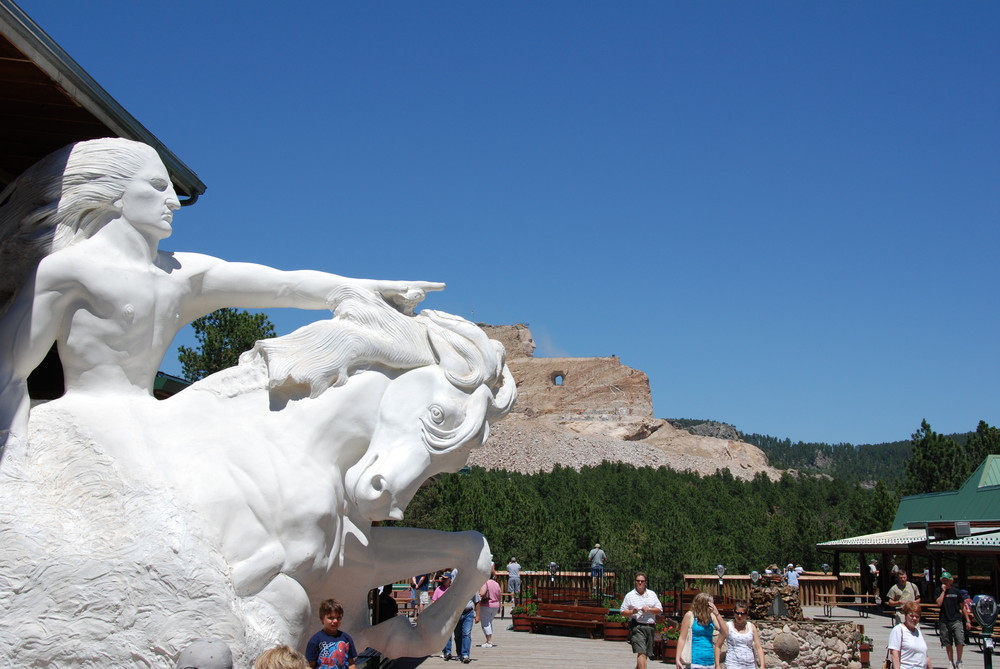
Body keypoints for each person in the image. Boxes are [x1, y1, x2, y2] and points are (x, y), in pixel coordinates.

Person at [0, 138, 443, 454]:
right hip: (88, 425)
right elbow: (8, 370)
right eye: (157, 187)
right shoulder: (67, 271)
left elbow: (286, 284)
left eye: (170, 187)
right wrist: (13, 447)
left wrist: (372, 289)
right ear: (113, 194)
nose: (173, 200)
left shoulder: (183, 274)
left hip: (152, 420)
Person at [621, 572, 663, 669]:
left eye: (642, 581)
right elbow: (622, 611)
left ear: (645, 583)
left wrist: (649, 610)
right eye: (638, 581)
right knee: (641, 652)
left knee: (646, 654)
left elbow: (660, 610)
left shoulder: (652, 594)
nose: (640, 583)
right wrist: (632, 611)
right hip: (637, 626)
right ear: (635, 582)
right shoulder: (630, 595)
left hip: (650, 626)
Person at [676, 592, 727, 669]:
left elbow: (725, 631)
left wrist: (717, 613)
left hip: (710, 661)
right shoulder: (690, 616)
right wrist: (677, 658)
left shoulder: (711, 617)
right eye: (711, 604)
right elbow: (682, 638)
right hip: (694, 661)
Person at [305, 598, 357, 669]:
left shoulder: (346, 638)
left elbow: (351, 663)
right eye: (331, 618)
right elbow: (310, 666)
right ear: (322, 619)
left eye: (338, 618)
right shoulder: (315, 640)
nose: (335, 621)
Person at [440, 571, 479, 664]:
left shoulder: (471, 588)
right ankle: (459, 654)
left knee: (466, 634)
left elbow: (477, 601)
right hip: (456, 614)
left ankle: (465, 655)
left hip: (468, 613)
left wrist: (477, 615)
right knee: (458, 635)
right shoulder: (452, 589)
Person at [935, 571, 971, 669]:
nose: (945, 582)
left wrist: (967, 620)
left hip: (956, 619)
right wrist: (943, 591)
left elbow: (962, 606)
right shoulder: (938, 590)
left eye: (947, 580)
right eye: (943, 580)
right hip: (944, 620)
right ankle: (950, 662)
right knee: (947, 642)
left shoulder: (957, 592)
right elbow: (938, 603)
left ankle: (959, 660)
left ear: (951, 580)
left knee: (959, 640)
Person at [888, 601, 933, 669]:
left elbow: (925, 656)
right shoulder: (898, 630)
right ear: (905, 615)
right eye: (911, 616)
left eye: (917, 616)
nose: (914, 618)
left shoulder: (918, 632)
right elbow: (894, 654)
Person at [725, 601, 765, 669]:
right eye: (737, 613)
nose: (739, 616)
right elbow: (718, 646)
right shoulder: (728, 626)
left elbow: (758, 647)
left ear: (746, 614)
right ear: (734, 612)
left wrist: (762, 665)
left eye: (742, 614)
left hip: (749, 664)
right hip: (733, 663)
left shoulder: (751, 626)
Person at [478, 574, 502, 647]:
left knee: (485, 623)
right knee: (489, 622)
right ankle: (488, 640)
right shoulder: (496, 584)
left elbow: (482, 593)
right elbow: (499, 595)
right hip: (495, 605)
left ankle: (489, 641)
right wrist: (499, 606)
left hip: (486, 605)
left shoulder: (485, 582)